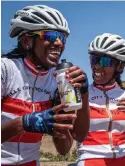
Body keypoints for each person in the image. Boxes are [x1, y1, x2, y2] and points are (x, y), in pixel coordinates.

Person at [1, 5, 90, 165]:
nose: (58, 43)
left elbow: (65, 149)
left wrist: (83, 93)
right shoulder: (5, 70)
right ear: (26, 41)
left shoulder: (57, 80)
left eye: (62, 38)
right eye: (50, 35)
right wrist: (23, 123)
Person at [76, 33, 125, 166]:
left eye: (104, 61)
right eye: (94, 59)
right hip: (90, 160)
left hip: (123, 159)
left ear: (119, 67)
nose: (97, 66)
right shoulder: (83, 94)